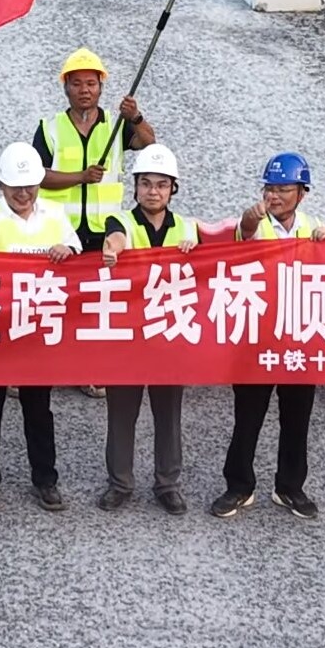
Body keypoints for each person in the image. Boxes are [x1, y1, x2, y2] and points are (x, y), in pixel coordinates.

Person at [0, 143, 79, 513]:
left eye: (29, 185)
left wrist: (68, 249)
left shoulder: (55, 214)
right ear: (0, 184)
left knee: (38, 410)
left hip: (35, 333)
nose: (23, 193)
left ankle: (46, 480)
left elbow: (76, 247)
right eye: (15, 186)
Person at [217, 152, 325, 520]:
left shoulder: (314, 229)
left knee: (296, 420)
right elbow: (245, 229)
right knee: (247, 417)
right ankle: (239, 486)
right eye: (270, 188)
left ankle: (290, 487)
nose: (275, 196)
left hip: (299, 340)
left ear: (302, 193)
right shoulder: (256, 223)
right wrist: (252, 215)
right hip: (257, 339)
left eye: (284, 189)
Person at [97, 143, 193, 514]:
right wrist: (113, 249)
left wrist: (193, 250)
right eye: (146, 184)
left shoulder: (187, 229)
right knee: (122, 411)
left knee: (168, 412)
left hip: (169, 332)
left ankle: (167, 483)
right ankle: (120, 483)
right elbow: (115, 239)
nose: (153, 192)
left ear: (172, 190)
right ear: (135, 187)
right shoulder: (121, 221)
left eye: (162, 185)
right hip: (129, 333)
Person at [35, 48, 156, 252]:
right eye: (76, 84)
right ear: (66, 88)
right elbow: (37, 176)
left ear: (100, 88)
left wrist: (135, 116)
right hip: (60, 232)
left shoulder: (114, 125)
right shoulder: (50, 128)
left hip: (106, 233)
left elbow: (149, 143)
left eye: (91, 84)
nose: (84, 90)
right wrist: (81, 176)